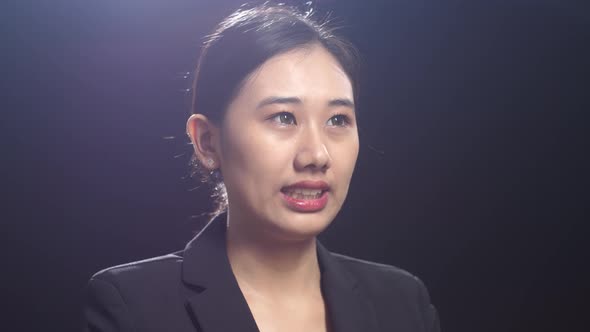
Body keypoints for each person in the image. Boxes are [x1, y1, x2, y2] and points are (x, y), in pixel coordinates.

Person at [83, 3, 440, 332]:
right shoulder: (134, 307)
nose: (316, 155)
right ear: (207, 141)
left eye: (337, 119)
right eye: (284, 117)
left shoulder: (402, 303)